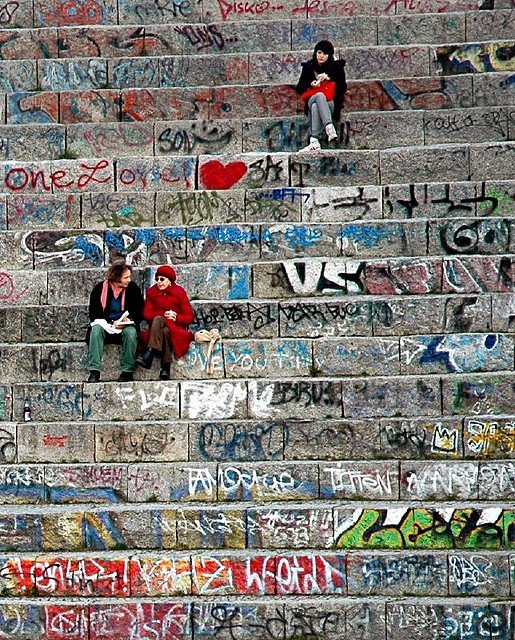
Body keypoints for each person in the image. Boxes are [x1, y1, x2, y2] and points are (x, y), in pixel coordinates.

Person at [86, 259, 144, 383]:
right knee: (95, 330)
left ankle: (127, 371)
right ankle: (94, 371)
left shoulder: (133, 288)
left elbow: (139, 310)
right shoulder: (100, 288)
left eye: (129, 277)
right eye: (126, 277)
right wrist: (107, 323)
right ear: (117, 277)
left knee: (131, 333)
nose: (129, 279)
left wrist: (128, 320)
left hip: (124, 325)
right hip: (106, 325)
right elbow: (93, 313)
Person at [138, 264, 194, 380]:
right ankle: (165, 368)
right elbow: (146, 314)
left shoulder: (179, 293)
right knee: (163, 328)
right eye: (157, 279)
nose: (159, 282)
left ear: (170, 281)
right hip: (157, 330)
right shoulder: (151, 292)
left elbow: (189, 317)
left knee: (166, 329)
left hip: (176, 330)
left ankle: (150, 352)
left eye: (162, 279)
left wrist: (176, 317)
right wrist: (162, 314)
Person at [295, 40, 347, 153]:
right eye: (319, 52)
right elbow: (299, 87)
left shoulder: (336, 67)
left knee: (315, 106)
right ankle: (329, 126)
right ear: (315, 53)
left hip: (330, 103)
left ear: (329, 55)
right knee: (318, 96)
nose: (321, 56)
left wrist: (329, 78)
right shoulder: (309, 67)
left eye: (325, 53)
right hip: (312, 97)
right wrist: (311, 83)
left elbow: (342, 88)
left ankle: (314, 141)